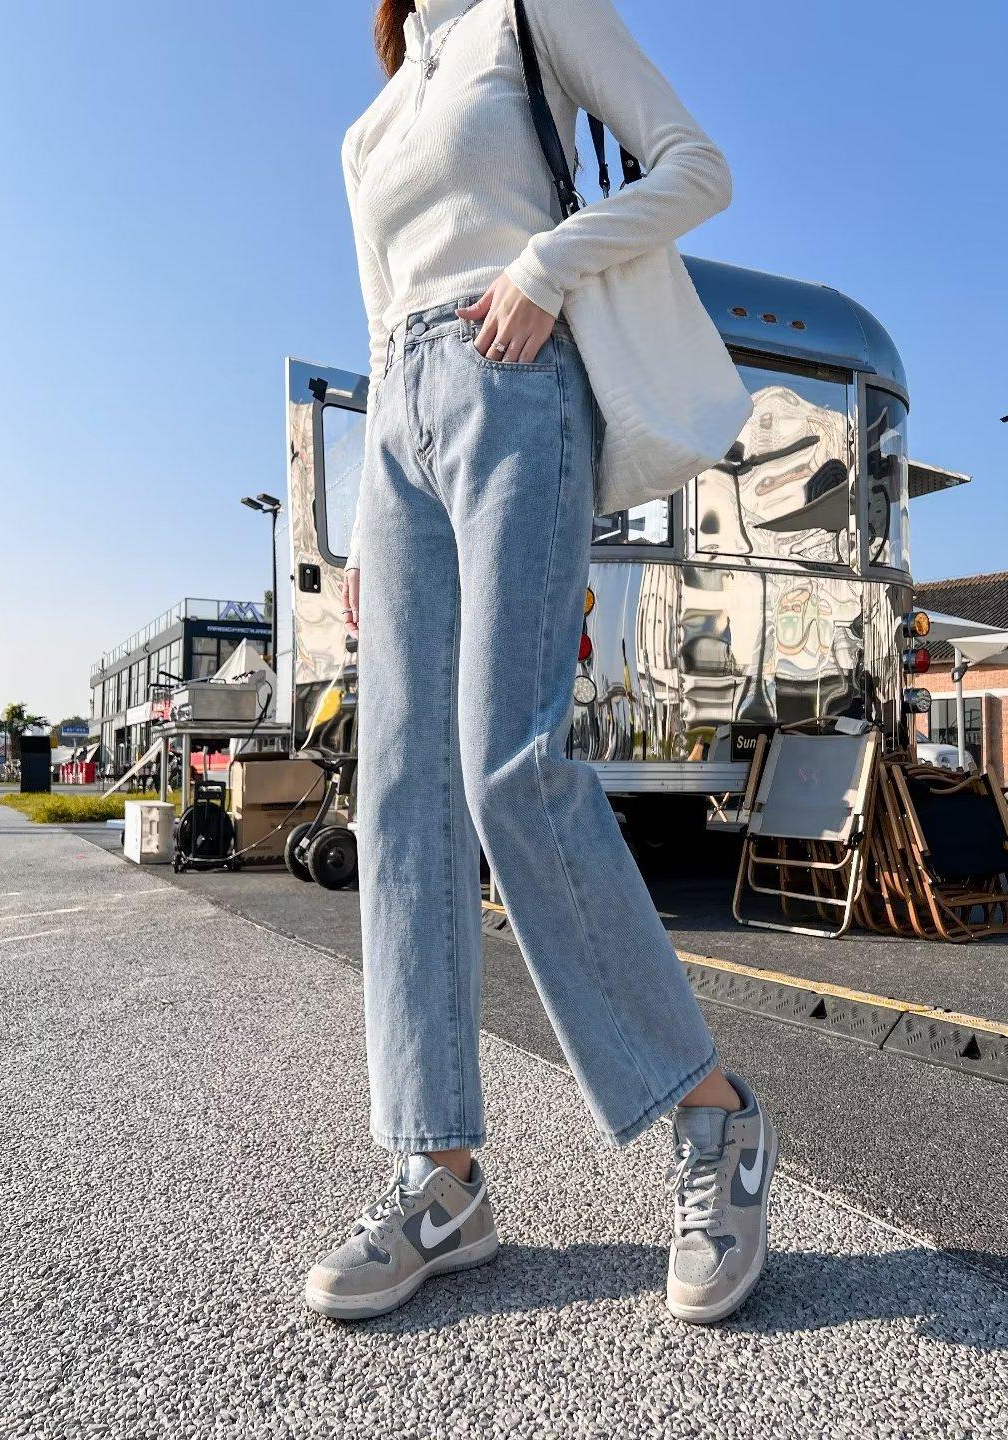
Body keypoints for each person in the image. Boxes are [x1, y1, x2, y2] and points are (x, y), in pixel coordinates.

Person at [306, 0, 778, 1325]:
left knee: (507, 763)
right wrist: (362, 529)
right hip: (398, 432)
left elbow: (697, 166)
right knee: (400, 794)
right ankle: (440, 1175)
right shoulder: (370, 123)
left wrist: (546, 267)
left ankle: (714, 1113)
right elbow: (379, 321)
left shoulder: (531, 12)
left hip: (515, 382)